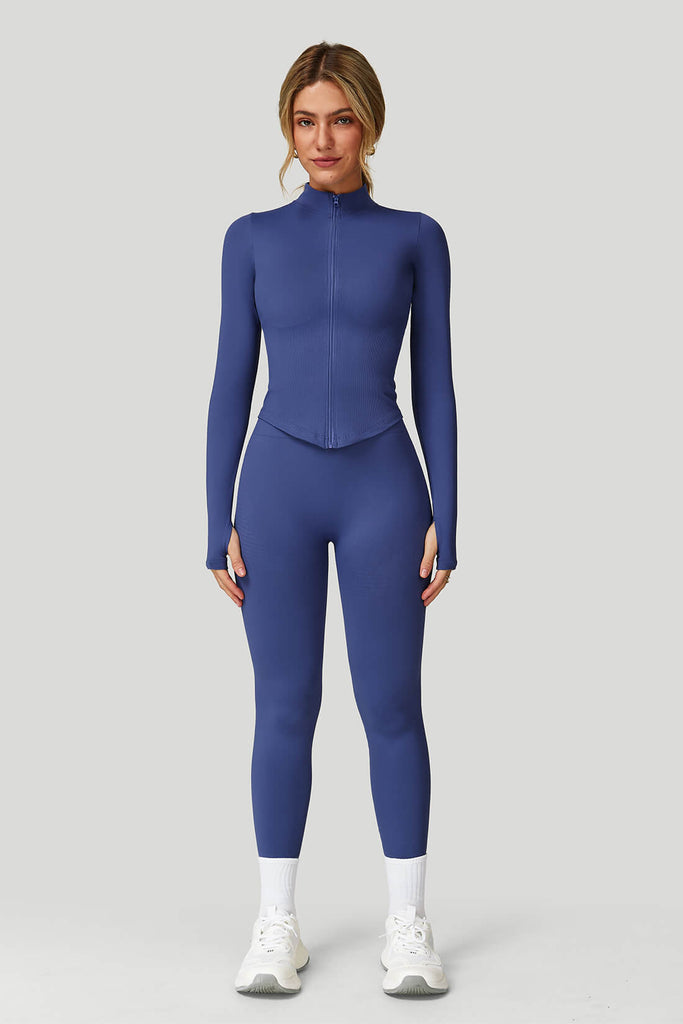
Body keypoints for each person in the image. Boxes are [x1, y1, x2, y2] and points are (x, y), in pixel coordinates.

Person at [205, 41, 457, 998]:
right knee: (283, 705)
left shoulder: (417, 237)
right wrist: (215, 515)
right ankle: (276, 926)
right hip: (276, 488)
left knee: (391, 706)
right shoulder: (249, 239)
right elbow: (231, 381)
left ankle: (409, 927)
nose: (323, 139)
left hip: (382, 488)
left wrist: (448, 510)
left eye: (341, 119)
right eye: (305, 121)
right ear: (287, 128)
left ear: (370, 125)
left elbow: (435, 384)